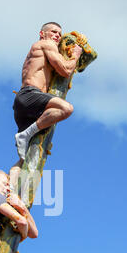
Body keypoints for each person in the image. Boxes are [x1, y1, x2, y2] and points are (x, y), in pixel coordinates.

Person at [13, 21, 83, 161]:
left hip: (26, 105)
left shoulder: (41, 52)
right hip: (30, 95)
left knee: (27, 160)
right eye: (53, 31)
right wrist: (75, 55)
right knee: (66, 108)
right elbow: (65, 70)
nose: (57, 35)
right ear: (42, 34)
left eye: (59, 34)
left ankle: (12, 182)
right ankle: (25, 134)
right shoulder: (46, 44)